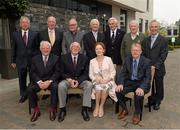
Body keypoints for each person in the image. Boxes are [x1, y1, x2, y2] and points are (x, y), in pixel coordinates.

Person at [115, 43, 151, 125]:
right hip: (130, 82)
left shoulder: (146, 62)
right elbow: (122, 73)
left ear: (141, 51)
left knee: (138, 95)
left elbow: (147, 78)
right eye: (133, 50)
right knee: (118, 91)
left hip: (141, 83)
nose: (135, 52)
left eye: (137, 50)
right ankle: (124, 109)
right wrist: (120, 83)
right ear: (131, 51)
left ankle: (137, 113)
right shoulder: (127, 59)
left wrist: (141, 87)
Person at [57, 42, 92, 122]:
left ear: (80, 49)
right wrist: (69, 79)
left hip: (80, 80)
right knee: (61, 86)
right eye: (73, 47)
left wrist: (78, 81)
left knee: (89, 84)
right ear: (70, 48)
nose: (75, 48)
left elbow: (86, 73)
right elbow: (61, 72)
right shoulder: (63, 58)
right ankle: (62, 109)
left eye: (77, 47)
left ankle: (84, 109)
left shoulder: (85, 58)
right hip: (68, 80)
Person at [28, 41, 59, 122]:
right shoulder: (34, 59)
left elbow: (57, 72)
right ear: (40, 49)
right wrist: (39, 81)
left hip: (50, 81)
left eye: (47, 48)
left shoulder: (56, 58)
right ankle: (36, 110)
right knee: (30, 89)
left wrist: (49, 81)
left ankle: (53, 109)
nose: (46, 49)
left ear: (50, 49)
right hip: (39, 81)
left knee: (55, 87)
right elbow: (32, 72)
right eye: (44, 48)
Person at [11, 16, 39, 103]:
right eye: (23, 22)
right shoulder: (15, 34)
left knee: (33, 79)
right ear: (20, 24)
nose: (25, 24)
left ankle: (34, 95)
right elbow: (14, 48)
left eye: (27, 22)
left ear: (29, 24)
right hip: (20, 61)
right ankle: (23, 95)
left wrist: (37, 60)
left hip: (32, 61)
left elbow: (37, 48)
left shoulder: (34, 34)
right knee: (21, 79)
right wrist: (13, 61)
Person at [142, 19, 168, 110]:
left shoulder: (163, 40)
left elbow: (164, 55)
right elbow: (144, 54)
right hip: (148, 68)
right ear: (149, 28)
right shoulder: (145, 40)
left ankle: (158, 101)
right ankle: (151, 100)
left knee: (159, 85)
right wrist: (146, 65)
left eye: (155, 27)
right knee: (150, 85)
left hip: (159, 68)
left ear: (158, 28)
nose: (153, 28)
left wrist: (155, 65)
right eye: (152, 27)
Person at [89, 42, 117, 118]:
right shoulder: (92, 61)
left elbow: (113, 72)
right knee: (98, 88)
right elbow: (90, 74)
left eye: (100, 49)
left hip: (108, 81)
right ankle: (97, 106)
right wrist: (96, 79)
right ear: (95, 51)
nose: (98, 50)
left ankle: (101, 106)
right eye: (96, 49)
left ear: (103, 50)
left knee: (104, 88)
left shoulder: (108, 59)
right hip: (97, 81)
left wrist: (108, 79)